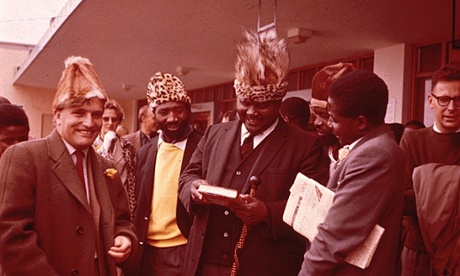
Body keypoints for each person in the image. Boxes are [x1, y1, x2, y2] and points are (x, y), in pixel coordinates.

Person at [178, 29, 329, 276]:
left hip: (263, 266)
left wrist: (267, 213)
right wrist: (194, 189)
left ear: (279, 102)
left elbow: (315, 209)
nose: (251, 112)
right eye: (245, 103)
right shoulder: (215, 133)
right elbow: (187, 176)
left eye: (262, 105)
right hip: (204, 263)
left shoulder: (304, 145)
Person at [0, 56, 137, 275]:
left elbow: (123, 221)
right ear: (57, 116)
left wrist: (125, 238)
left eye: (96, 115)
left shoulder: (106, 166)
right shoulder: (24, 156)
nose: (89, 123)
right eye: (79, 113)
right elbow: (11, 237)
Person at [299, 70, 405, 275]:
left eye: (334, 119)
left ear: (361, 123)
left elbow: (336, 235)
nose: (329, 125)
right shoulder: (371, 148)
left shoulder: (374, 155)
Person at [124, 72, 203, 276]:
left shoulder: (204, 147)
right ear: (154, 114)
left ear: (188, 110)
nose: (172, 118)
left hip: (184, 249)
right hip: (146, 251)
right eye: (164, 111)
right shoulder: (145, 152)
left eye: (179, 110)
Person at [400, 63, 460, 275]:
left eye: (458, 100)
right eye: (444, 100)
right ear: (431, 101)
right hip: (418, 249)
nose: (452, 107)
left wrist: (427, 182)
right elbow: (404, 198)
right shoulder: (412, 141)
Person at [93, 99, 137, 220]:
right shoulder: (89, 145)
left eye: (114, 119)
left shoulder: (128, 147)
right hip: (97, 203)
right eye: (105, 119)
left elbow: (132, 180)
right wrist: (105, 146)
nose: (110, 123)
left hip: (121, 202)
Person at [310, 62, 354, 168]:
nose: (316, 122)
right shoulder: (316, 150)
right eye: (315, 114)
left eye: (325, 115)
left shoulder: (364, 155)